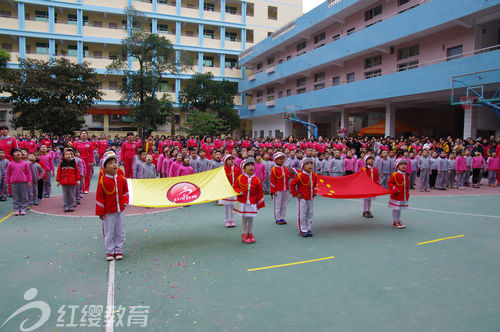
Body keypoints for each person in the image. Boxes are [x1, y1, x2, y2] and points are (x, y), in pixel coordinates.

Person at [95, 152, 129, 261]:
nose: (114, 165)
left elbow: (125, 192)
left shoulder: (121, 179)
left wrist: (124, 202)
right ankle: (110, 251)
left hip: (120, 210)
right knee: (109, 232)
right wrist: (100, 211)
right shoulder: (103, 181)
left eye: (115, 163)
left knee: (120, 230)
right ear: (104, 167)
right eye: (110, 163)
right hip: (108, 211)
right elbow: (99, 197)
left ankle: (119, 249)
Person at [232, 158, 265, 244]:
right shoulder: (240, 178)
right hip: (243, 203)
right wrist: (239, 192)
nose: (251, 167)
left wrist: (259, 203)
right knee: (244, 219)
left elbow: (260, 192)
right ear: (244, 168)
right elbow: (235, 187)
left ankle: (250, 233)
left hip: (252, 202)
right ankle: (244, 234)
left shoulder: (257, 179)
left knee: (251, 219)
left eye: (252, 165)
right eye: (248, 165)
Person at [290, 158, 318, 237]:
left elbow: (315, 184)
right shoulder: (300, 176)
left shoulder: (314, 175)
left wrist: (315, 192)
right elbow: (292, 184)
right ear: (303, 166)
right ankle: (303, 229)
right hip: (302, 198)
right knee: (302, 214)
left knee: (310, 213)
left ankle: (309, 229)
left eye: (311, 164)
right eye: (307, 164)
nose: (310, 165)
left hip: (310, 198)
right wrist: (296, 194)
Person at [5, 149, 32, 216]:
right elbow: (7, 174)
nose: (18, 153)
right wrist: (7, 182)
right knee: (15, 196)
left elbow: (28, 173)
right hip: (13, 183)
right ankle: (17, 209)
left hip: (23, 182)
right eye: (15, 152)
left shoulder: (25, 163)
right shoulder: (10, 164)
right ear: (13, 155)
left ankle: (23, 208)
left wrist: (29, 181)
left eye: (19, 152)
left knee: (24, 196)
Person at [270, 152, 294, 225]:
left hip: (285, 189)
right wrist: (273, 190)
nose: (281, 160)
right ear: (275, 160)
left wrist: (292, 173)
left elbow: (288, 177)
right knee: (278, 204)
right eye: (279, 159)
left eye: (282, 158)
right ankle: (278, 218)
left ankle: (282, 217)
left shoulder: (285, 168)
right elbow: (272, 181)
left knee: (284, 204)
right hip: (278, 190)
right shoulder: (274, 169)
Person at [387, 158, 410, 229]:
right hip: (396, 195)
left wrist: (407, 194)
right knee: (396, 208)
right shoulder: (395, 175)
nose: (403, 166)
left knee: (399, 208)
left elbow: (407, 185)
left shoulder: (405, 175)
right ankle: (395, 221)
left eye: (405, 164)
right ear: (397, 166)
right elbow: (390, 183)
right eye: (401, 164)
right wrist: (395, 189)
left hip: (403, 195)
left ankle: (398, 220)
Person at [219, 155, 241, 228]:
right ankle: (226, 220)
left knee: (233, 205)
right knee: (226, 205)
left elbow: (239, 179)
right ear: (226, 161)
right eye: (229, 159)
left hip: (234, 188)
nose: (231, 161)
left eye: (232, 159)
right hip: (226, 188)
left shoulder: (237, 169)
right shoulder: (224, 169)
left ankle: (232, 219)